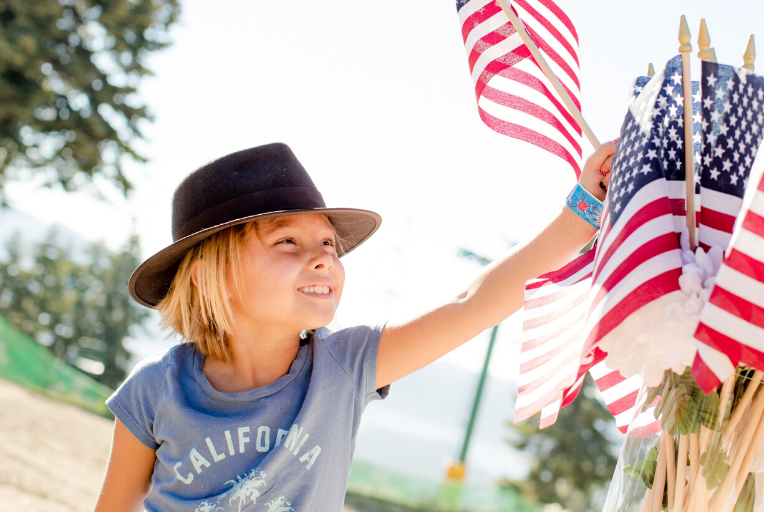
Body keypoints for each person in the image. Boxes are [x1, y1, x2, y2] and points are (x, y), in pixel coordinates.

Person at [93, 141, 616, 511]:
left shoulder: (346, 366)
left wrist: (584, 210)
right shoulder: (153, 390)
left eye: (328, 243)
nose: (324, 258)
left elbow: (470, 303)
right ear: (212, 274)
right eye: (287, 242)